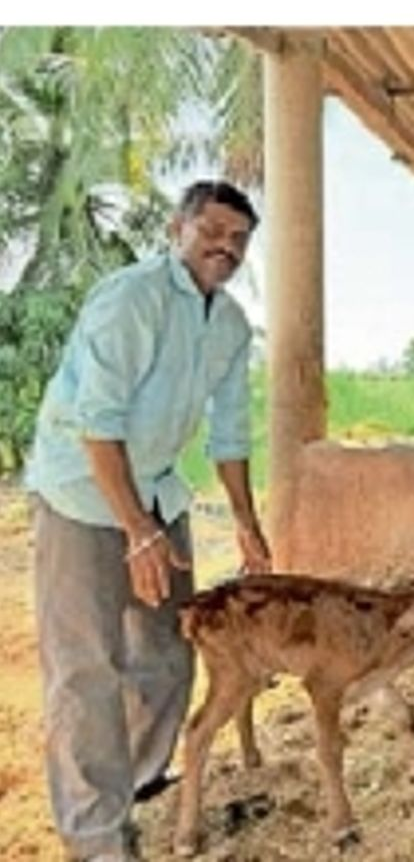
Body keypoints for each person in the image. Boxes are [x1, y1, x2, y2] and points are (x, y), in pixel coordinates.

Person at [25, 180, 272, 861]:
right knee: (86, 671)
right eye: (211, 233)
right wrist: (136, 531)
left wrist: (247, 523)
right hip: (81, 496)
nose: (225, 248)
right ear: (177, 229)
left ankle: (134, 786)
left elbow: (229, 432)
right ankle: (96, 837)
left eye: (239, 241)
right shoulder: (131, 299)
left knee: (168, 654)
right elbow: (96, 423)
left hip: (158, 495)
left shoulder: (228, 324)